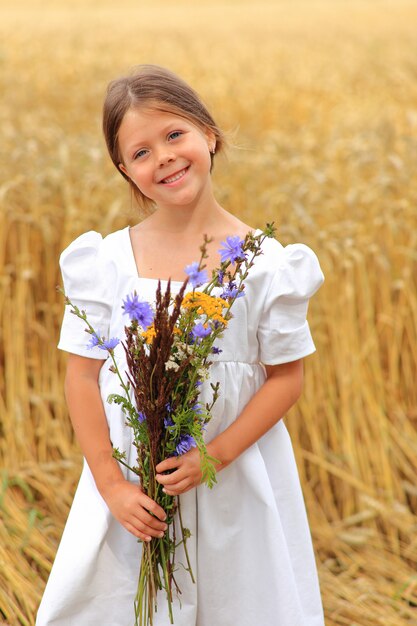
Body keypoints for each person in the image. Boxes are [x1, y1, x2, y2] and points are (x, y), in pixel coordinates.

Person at [36, 64, 325, 626]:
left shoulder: (266, 265)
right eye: (140, 152)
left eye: (174, 135)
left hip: (234, 483)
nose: (163, 157)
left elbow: (287, 378)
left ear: (208, 134)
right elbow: (81, 376)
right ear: (125, 171)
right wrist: (112, 486)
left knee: (240, 601)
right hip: (133, 492)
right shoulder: (106, 262)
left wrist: (213, 457)